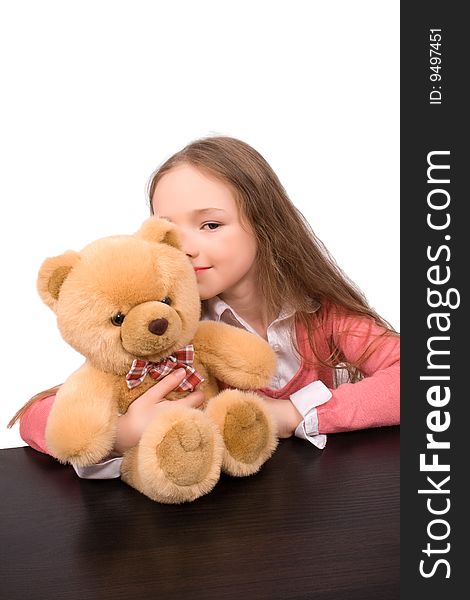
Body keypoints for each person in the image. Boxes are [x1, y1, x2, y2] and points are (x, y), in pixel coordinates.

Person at [11, 135, 400, 479]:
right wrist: (121, 433)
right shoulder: (166, 331)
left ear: (265, 226)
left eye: (210, 225)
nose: (186, 247)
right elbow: (36, 417)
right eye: (169, 230)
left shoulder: (321, 314)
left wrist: (293, 414)